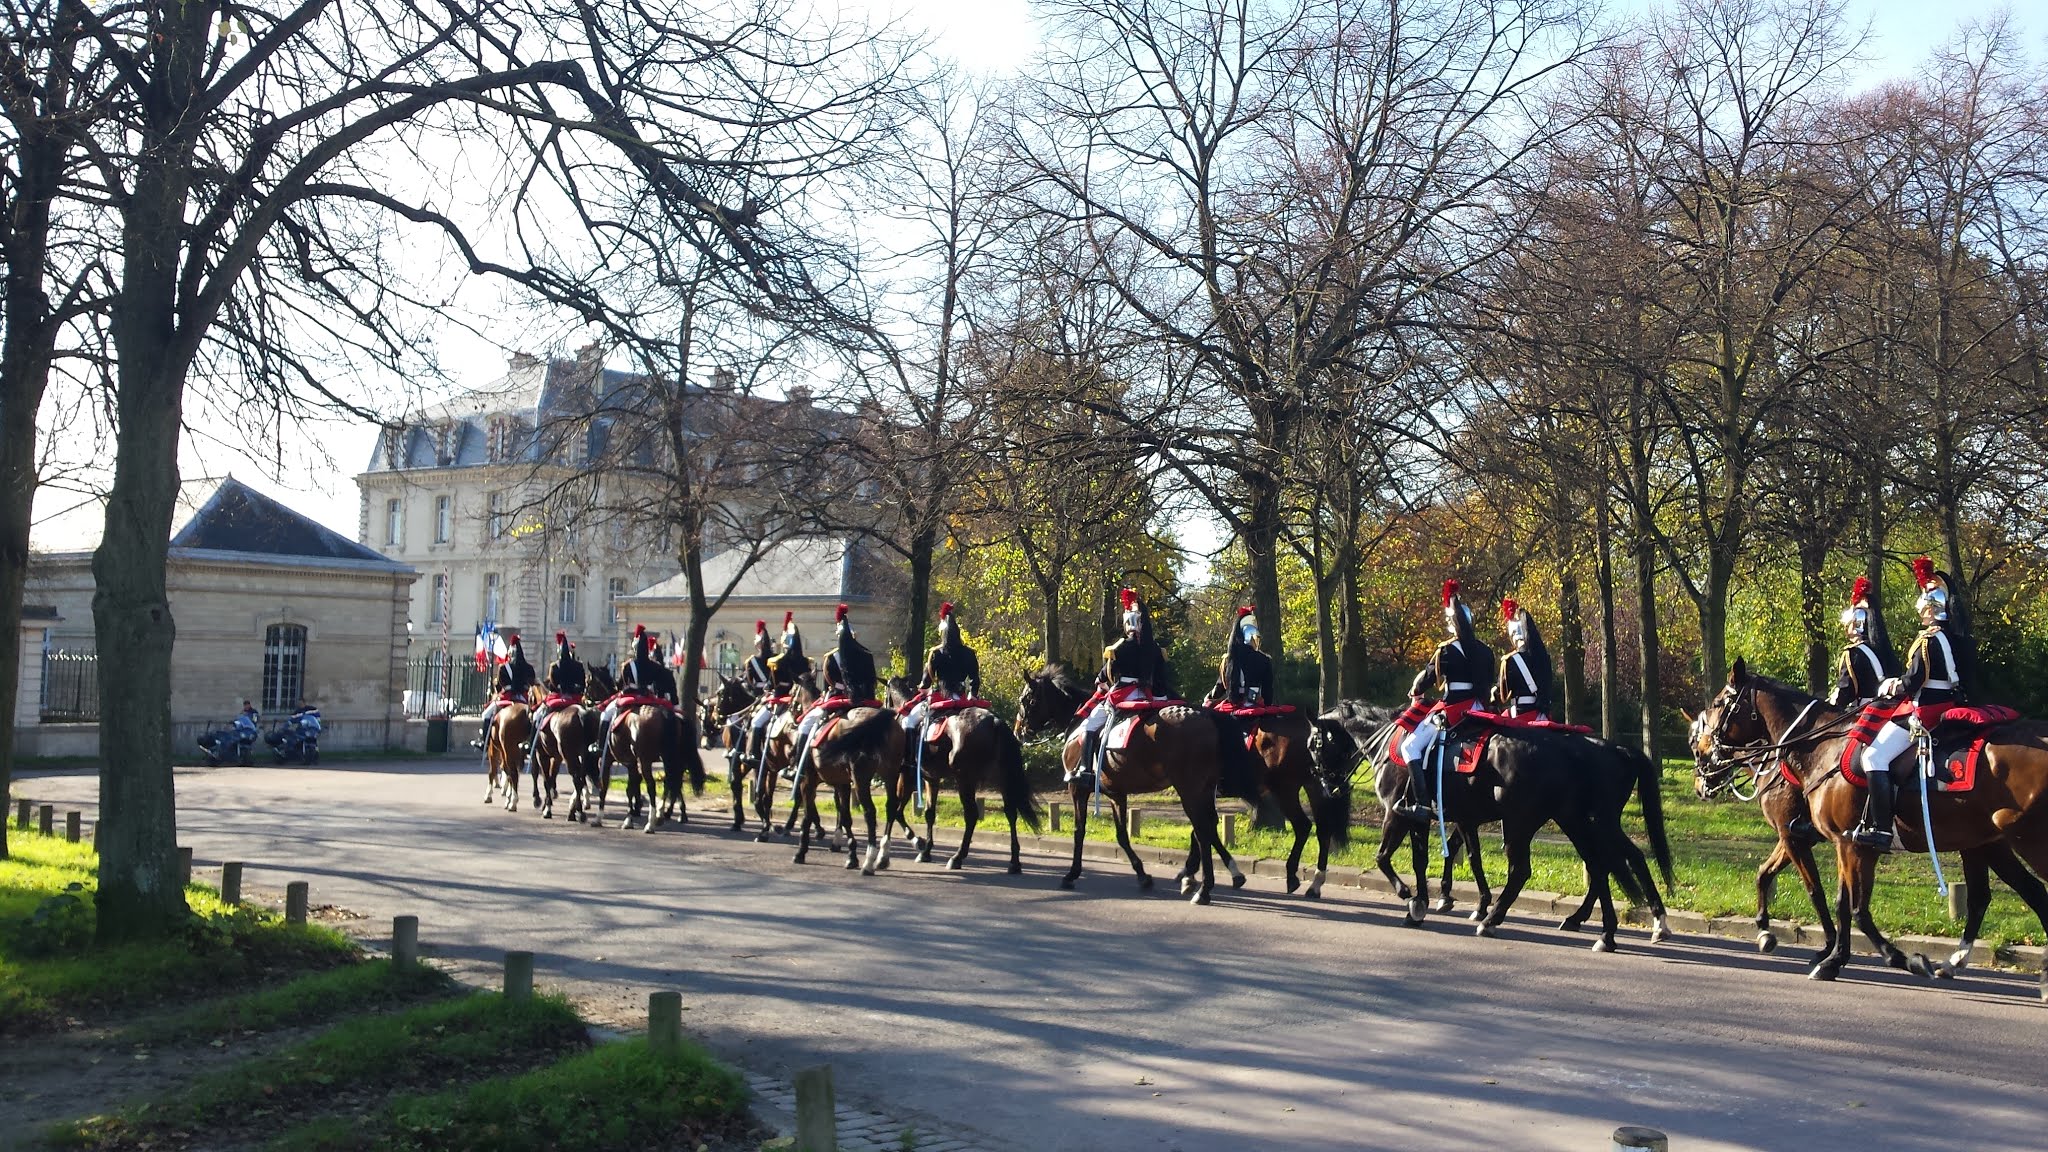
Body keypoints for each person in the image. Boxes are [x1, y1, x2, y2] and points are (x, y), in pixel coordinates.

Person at [1851, 558, 1969, 849]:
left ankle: (1882, 829)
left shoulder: (1929, 640)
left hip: (1926, 709)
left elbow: (1915, 680)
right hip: (1943, 702)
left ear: (1930, 607)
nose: (1919, 607)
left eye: (1922, 602)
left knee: (1873, 757)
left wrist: (1892, 685)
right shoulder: (1948, 636)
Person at [1394, 581, 1494, 819]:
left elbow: (1428, 678)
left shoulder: (1447, 650)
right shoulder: (1485, 650)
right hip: (1480, 707)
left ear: (1452, 623)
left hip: (1455, 709)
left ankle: (1422, 803)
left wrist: (1416, 690)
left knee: (1409, 747)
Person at [1072, 588, 1173, 781]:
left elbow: (1104, 676)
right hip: (1149, 695)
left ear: (1128, 623)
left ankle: (1085, 770)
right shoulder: (1156, 649)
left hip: (1123, 695)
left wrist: (1101, 682)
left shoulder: (1119, 648)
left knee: (1090, 725)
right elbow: (1161, 679)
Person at [789, 604, 876, 780]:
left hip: (840, 699)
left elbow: (829, 682)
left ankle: (800, 767)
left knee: (806, 725)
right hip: (865, 699)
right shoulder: (867, 654)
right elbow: (871, 680)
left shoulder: (831, 657)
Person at [900, 602, 981, 735]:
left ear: (942, 633)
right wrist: (973, 694)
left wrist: (922, 687)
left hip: (940, 697)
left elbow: (925, 684)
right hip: (962, 698)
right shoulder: (969, 653)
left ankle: (913, 749)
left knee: (908, 722)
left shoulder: (936, 653)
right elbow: (974, 679)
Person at [749, 612, 809, 771]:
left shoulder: (778, 661)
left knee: (756, 722)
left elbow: (771, 684)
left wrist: (768, 688)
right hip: (798, 700)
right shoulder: (805, 661)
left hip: (780, 700)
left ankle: (755, 754)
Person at [522, 632, 586, 776]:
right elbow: (582, 685)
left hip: (558, 698)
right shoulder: (578, 666)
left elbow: (552, 686)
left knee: (537, 716)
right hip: (575, 699)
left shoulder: (554, 666)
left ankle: (531, 744)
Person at [1830, 576, 1897, 708]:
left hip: (1864, 710)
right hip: (1887, 707)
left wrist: (1832, 703)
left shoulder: (1853, 653)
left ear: (1855, 624)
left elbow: (1846, 692)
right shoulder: (1880, 648)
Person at [473, 632, 537, 752]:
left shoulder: (504, 667)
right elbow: (532, 682)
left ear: (511, 652)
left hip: (507, 697)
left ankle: (484, 742)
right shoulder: (529, 667)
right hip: (524, 698)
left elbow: (500, 684)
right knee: (535, 717)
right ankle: (532, 742)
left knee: (485, 715)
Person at [1494, 598, 1553, 721]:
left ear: (1513, 635)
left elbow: (1502, 694)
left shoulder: (1510, 661)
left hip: (1521, 715)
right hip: (1543, 716)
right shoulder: (1544, 657)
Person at [1214, 606, 1274, 709]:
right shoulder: (1264, 660)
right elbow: (1268, 694)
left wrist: (1208, 699)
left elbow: (1219, 689)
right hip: (1255, 706)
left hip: (1232, 707)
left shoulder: (1228, 661)